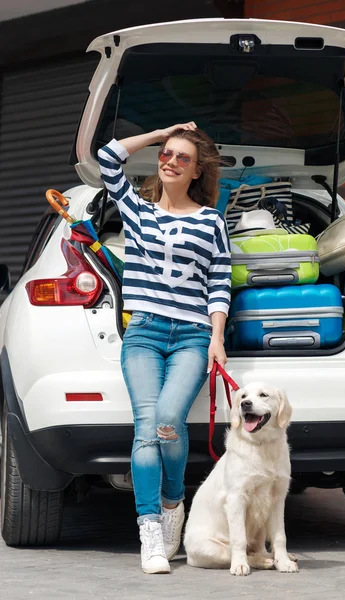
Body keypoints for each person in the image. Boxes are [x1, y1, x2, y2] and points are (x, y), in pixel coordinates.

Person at [97, 122, 231, 574]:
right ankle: (151, 530)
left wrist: (217, 338)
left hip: (192, 334)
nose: (170, 161)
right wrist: (158, 133)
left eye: (182, 158)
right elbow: (107, 157)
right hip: (145, 333)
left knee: (170, 420)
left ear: (197, 171)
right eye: (166, 154)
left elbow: (219, 282)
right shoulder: (137, 209)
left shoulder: (211, 220)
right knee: (146, 428)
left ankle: (174, 501)